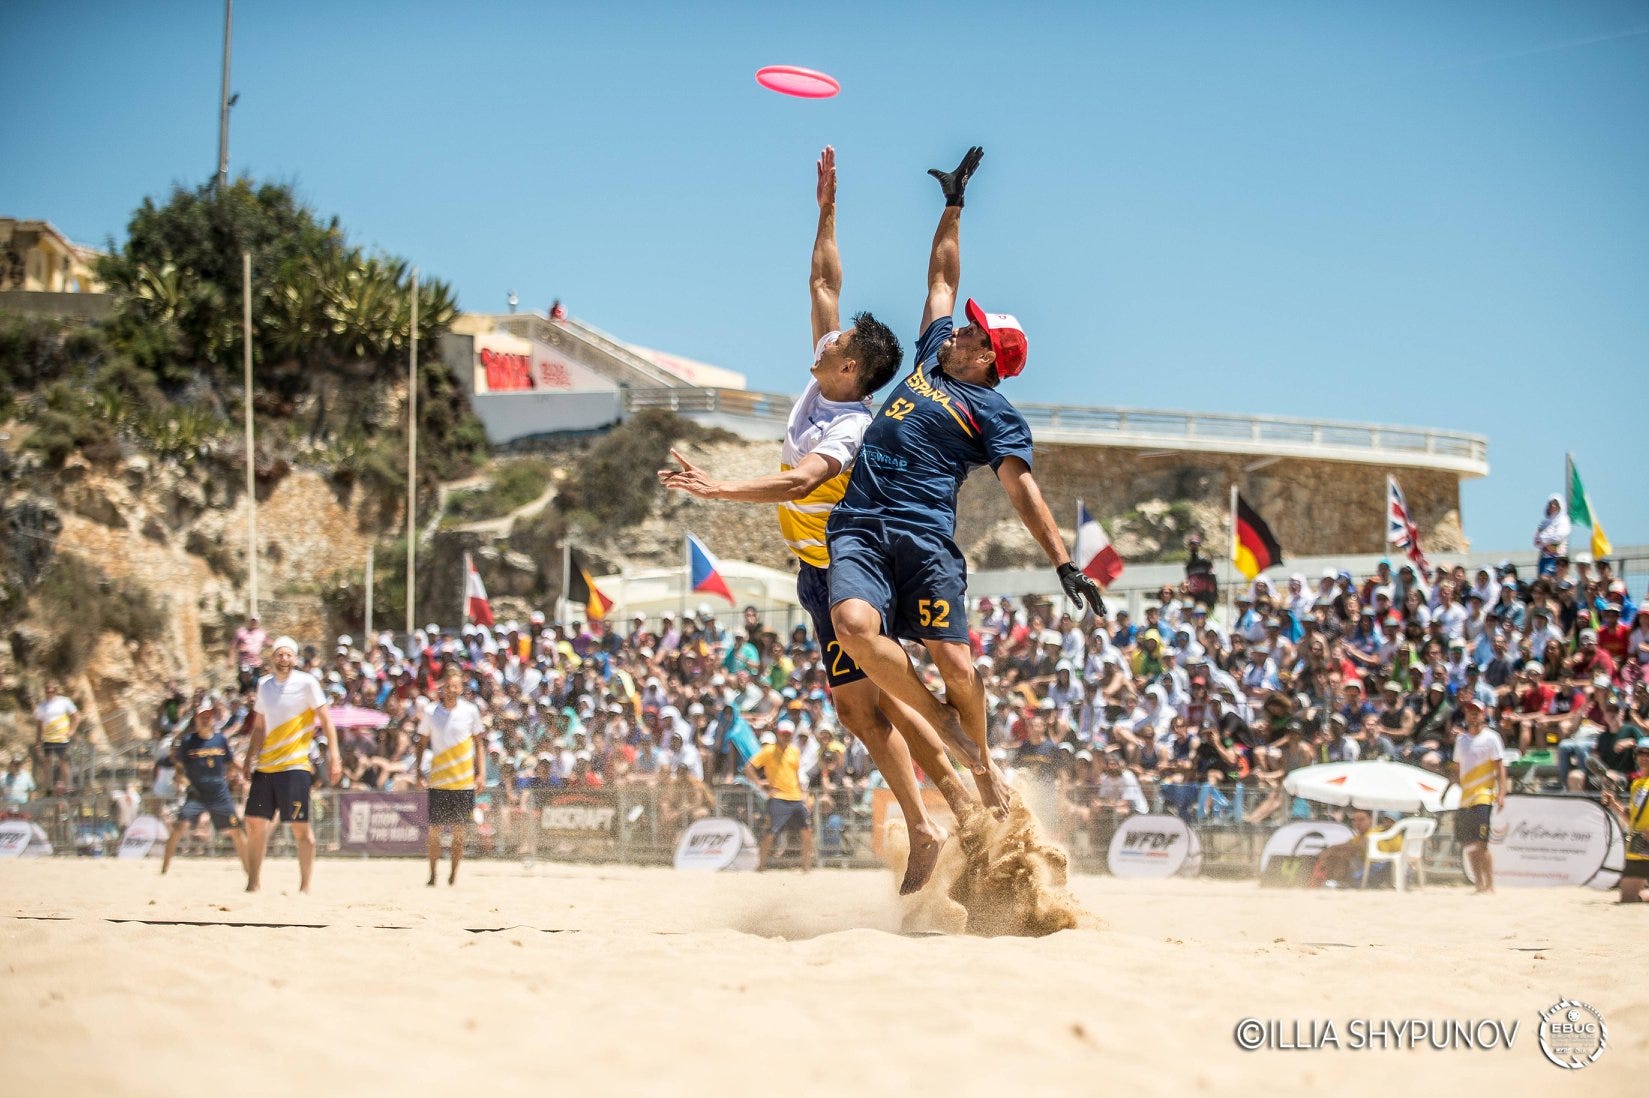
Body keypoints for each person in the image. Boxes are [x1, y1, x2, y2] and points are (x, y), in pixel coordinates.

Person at [659, 145, 968, 894]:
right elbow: (824, 279)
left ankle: (965, 796)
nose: (822, 339)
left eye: (835, 347)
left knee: (889, 697)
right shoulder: (825, 383)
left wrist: (718, 490)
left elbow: (799, 481)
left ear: (851, 372)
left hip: (856, 565)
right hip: (814, 573)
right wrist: (826, 205)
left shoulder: (848, 426)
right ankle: (925, 825)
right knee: (858, 714)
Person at [827, 145, 1105, 813]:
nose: (955, 330)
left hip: (924, 538)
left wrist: (1063, 564)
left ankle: (984, 777)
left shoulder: (994, 412)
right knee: (853, 626)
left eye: (970, 333)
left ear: (989, 355)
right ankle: (957, 738)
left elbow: (1020, 489)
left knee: (958, 667)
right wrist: (953, 205)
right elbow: (941, 280)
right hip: (861, 526)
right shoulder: (929, 355)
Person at [239, 636, 340, 893]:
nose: (284, 659)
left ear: (295, 658)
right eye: (279, 654)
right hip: (266, 765)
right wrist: (250, 756)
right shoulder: (264, 685)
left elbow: (327, 722)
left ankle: (305, 886)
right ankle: (253, 883)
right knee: (254, 822)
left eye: (288, 655)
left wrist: (334, 757)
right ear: (272, 658)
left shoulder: (307, 683)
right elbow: (260, 727)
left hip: (295, 765)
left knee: (300, 828)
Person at [412, 666, 486, 886]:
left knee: (458, 832)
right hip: (439, 780)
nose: (452, 690)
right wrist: (418, 771)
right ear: (442, 686)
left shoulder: (470, 711)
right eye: (448, 686)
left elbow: (479, 743)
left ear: (461, 688)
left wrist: (480, 773)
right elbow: (421, 742)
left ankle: (453, 875)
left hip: (463, 782)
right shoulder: (431, 711)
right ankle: (433, 874)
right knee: (434, 831)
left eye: (456, 686)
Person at [162, 696, 249, 875]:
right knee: (180, 826)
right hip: (197, 793)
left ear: (213, 718)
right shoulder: (188, 742)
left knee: (236, 831)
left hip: (219, 793)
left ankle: (250, 871)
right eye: (202, 716)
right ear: (196, 719)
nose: (205, 718)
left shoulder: (220, 740)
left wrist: (249, 774)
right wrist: (179, 778)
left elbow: (231, 762)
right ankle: (164, 869)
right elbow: (179, 764)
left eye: (208, 715)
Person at [1449, 696, 1507, 894]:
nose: (1472, 715)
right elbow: (1457, 768)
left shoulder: (1491, 737)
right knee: (1470, 844)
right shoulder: (1461, 739)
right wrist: (1447, 789)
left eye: (1476, 712)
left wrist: (1502, 793)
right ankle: (1479, 884)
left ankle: (1489, 885)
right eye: (1469, 712)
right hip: (1465, 797)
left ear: (1483, 715)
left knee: (1482, 843)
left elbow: (1500, 767)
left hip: (1484, 795)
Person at [744, 721, 812, 872]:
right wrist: (760, 784)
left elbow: (796, 775)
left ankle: (806, 867)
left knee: (807, 832)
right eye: (784, 734)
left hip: (795, 798)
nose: (786, 736)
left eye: (788, 734)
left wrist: (803, 796)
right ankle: (760, 866)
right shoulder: (769, 750)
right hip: (778, 797)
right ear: (778, 734)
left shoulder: (795, 751)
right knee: (770, 833)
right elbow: (748, 767)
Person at [1600, 738, 1649, 903]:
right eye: (1640, 753)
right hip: (1637, 842)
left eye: (1648, 753)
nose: (1644, 757)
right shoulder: (1637, 784)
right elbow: (1632, 819)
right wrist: (1614, 804)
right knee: (1628, 898)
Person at [33, 680, 79, 794]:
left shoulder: (64, 701)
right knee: (47, 762)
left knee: (63, 761)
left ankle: (68, 786)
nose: (49, 693)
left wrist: (72, 730)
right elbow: (39, 725)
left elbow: (77, 717)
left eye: (52, 691)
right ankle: (48, 787)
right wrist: (38, 741)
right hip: (48, 738)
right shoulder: (42, 706)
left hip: (61, 738)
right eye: (47, 691)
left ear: (56, 691)